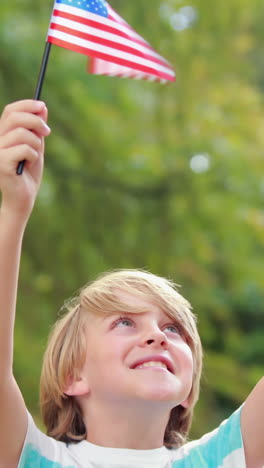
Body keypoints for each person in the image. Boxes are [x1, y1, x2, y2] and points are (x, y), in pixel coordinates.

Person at [0, 100, 263, 468]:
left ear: (188, 392)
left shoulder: (224, 458)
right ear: (73, 375)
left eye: (173, 328)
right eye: (124, 322)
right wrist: (14, 210)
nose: (157, 336)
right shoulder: (31, 458)